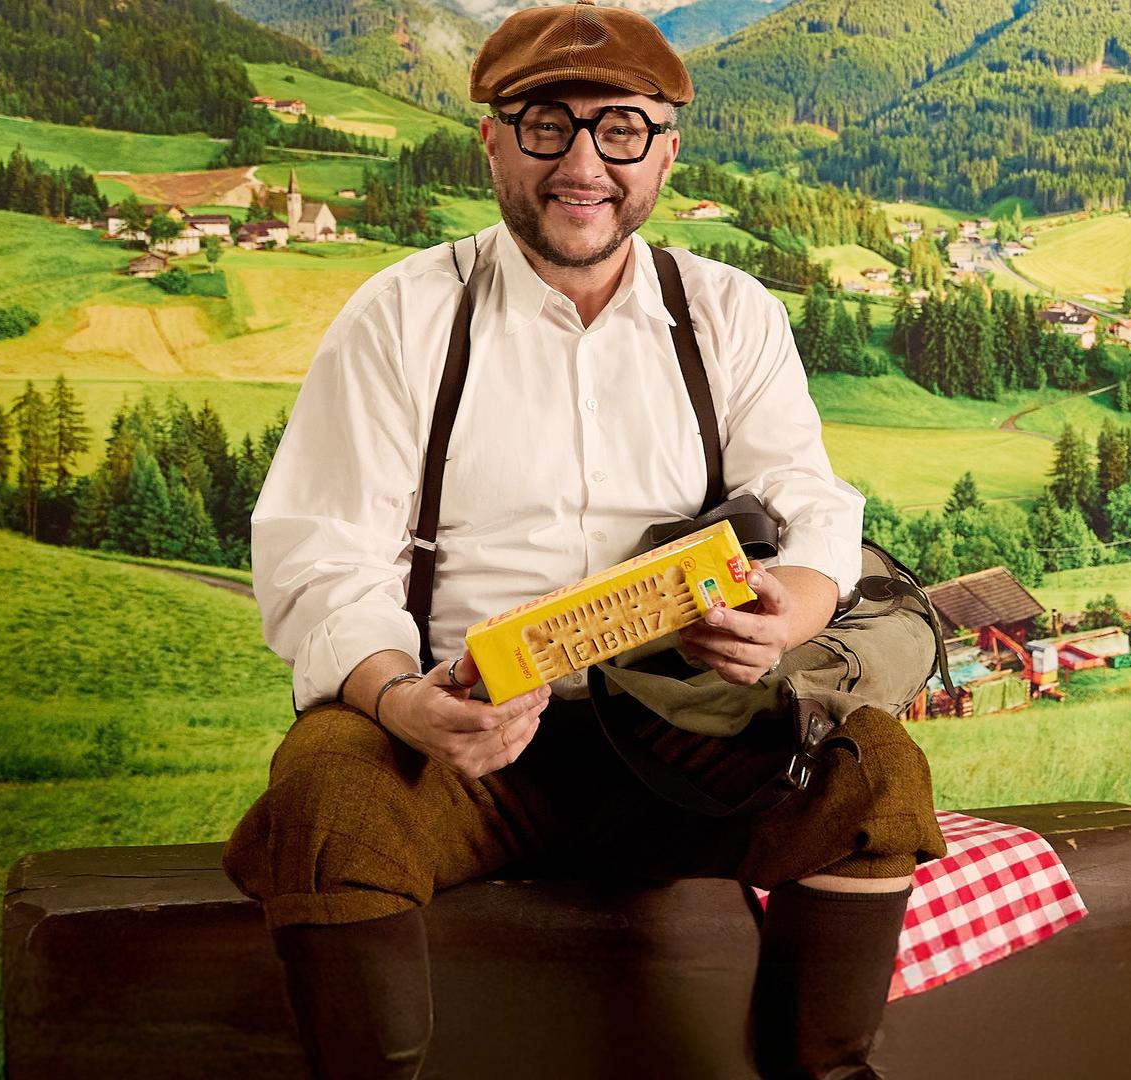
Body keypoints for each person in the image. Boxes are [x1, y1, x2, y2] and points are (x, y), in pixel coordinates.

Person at [222, 3, 946, 1076]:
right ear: (492, 140)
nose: (584, 164)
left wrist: (783, 615)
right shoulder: (402, 317)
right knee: (327, 782)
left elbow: (806, 500)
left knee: (871, 772)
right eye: (545, 124)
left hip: (681, 724)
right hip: (460, 739)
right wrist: (398, 700)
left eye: (621, 129)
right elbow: (325, 556)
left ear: (667, 148)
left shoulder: (730, 313)